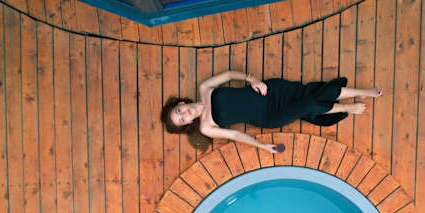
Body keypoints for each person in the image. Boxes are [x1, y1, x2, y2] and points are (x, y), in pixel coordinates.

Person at [160, 71, 382, 153]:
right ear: (186, 124)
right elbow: (236, 135)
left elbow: (228, 75)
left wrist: (252, 80)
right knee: (308, 102)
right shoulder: (206, 127)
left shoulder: (205, 88)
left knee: (308, 93)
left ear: (182, 102)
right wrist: (262, 146)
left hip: (268, 92)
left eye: (180, 110)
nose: (185, 114)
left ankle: (362, 92)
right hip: (270, 116)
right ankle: (346, 106)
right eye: (182, 119)